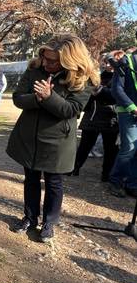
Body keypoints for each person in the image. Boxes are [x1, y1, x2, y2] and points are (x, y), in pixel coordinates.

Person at [7, 34, 98, 242]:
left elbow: (72, 109)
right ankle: (30, 217)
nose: (46, 63)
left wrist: (49, 97)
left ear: (69, 61)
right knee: (30, 178)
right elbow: (18, 98)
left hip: (58, 140)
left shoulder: (84, 79)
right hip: (29, 136)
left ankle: (49, 223)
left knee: (53, 182)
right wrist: (38, 99)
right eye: (45, 58)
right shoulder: (34, 69)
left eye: (53, 61)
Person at [70, 55, 118, 181]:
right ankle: (74, 168)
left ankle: (106, 175)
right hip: (92, 116)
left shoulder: (120, 78)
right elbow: (86, 95)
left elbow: (115, 96)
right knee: (84, 146)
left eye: (111, 63)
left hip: (111, 119)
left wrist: (99, 90)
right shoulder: (97, 77)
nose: (108, 65)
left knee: (110, 149)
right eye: (106, 62)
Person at [108, 47, 137, 197]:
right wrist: (133, 108)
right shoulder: (125, 61)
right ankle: (115, 181)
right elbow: (116, 90)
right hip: (128, 112)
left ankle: (132, 185)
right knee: (129, 149)